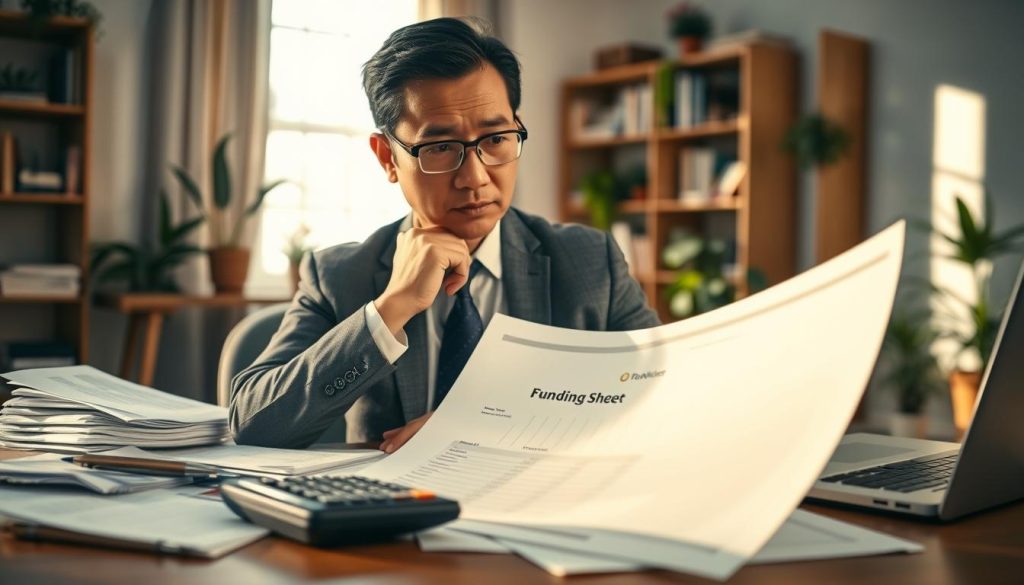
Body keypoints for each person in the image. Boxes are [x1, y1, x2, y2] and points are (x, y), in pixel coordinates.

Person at [230, 17, 659, 452]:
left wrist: (485, 423)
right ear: (387, 159)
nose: (474, 177)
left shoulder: (589, 261)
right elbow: (253, 425)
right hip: (396, 512)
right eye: (439, 147)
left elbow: (662, 396)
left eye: (495, 139)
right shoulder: (340, 275)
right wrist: (390, 309)